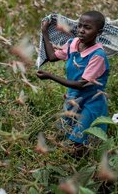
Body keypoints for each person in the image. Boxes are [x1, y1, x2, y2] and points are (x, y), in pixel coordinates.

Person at [36, 11, 109, 156]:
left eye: (87, 28)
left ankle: (83, 171)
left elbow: (81, 84)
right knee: (65, 135)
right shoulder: (73, 43)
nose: (81, 30)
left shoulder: (98, 55)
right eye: (80, 26)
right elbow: (51, 57)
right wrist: (45, 32)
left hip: (91, 102)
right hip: (74, 99)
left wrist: (50, 76)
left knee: (79, 142)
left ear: (98, 32)